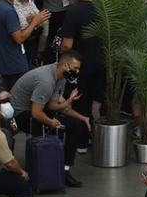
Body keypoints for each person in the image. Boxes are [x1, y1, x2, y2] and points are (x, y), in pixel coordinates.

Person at [10, 50, 89, 188]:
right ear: (65, 65)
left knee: (75, 125)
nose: (77, 72)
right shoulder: (46, 81)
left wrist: (82, 117)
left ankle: (63, 170)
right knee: (53, 129)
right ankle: (46, 172)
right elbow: (36, 113)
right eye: (75, 68)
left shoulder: (59, 76)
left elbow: (53, 105)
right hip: (20, 115)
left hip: (35, 109)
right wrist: (51, 122)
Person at [60, 0, 106, 153]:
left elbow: (66, 45)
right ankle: (98, 137)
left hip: (81, 67)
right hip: (101, 64)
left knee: (80, 101)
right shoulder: (105, 9)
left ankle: (81, 141)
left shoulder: (73, 11)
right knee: (97, 101)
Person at [0, 0, 51, 90]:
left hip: (7, 63)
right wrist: (35, 22)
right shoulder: (8, 10)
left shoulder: (0, 6)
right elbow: (19, 38)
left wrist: (32, 23)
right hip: (14, 65)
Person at [13, 0, 48, 68]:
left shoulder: (31, 2)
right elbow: (21, 25)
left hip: (32, 40)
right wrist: (35, 22)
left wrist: (34, 22)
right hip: (21, 41)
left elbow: (43, 21)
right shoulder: (14, 4)